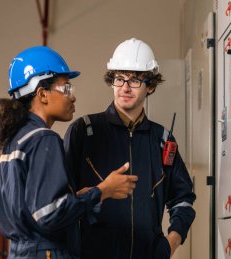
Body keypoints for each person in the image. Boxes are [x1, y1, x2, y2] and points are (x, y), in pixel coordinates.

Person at [0, 46, 138, 259]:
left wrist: (74, 199)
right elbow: (49, 215)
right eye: (66, 88)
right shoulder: (43, 139)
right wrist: (102, 191)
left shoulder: (15, 140)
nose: (72, 97)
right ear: (42, 94)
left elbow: (33, 209)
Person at [64, 38, 196, 259]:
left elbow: (183, 199)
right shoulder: (84, 131)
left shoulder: (162, 139)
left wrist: (170, 244)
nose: (125, 87)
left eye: (135, 80)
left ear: (150, 86)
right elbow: (62, 203)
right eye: (119, 79)